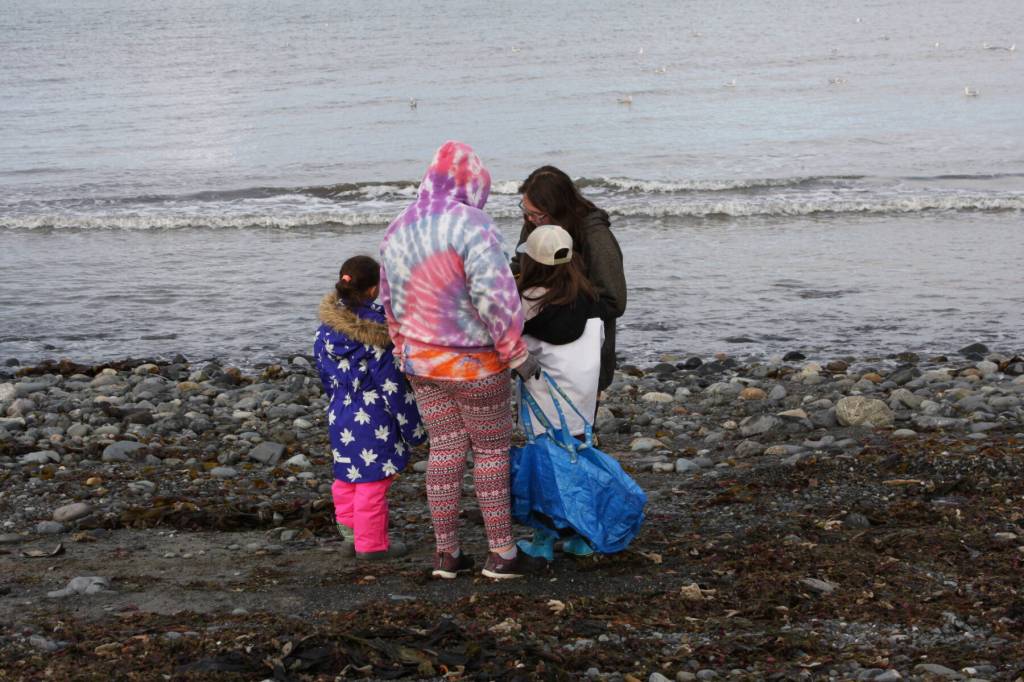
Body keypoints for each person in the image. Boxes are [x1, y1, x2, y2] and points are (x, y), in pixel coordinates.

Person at [378, 140, 542, 580]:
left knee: (445, 450)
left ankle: (447, 555)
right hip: (474, 366)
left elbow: (388, 300)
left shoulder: (397, 227)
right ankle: (502, 553)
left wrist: (401, 347)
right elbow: (495, 296)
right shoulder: (474, 225)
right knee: (490, 451)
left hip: (420, 364)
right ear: (474, 183)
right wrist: (515, 352)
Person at [313, 255, 427, 560]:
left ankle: (351, 537)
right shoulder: (381, 333)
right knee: (373, 481)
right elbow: (392, 386)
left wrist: (339, 399)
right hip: (374, 416)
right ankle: (372, 545)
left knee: (346, 476)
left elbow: (325, 375)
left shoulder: (324, 330)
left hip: (339, 413)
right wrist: (413, 429)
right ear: (374, 290)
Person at [513, 224, 604, 561]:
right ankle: (581, 538)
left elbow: (514, 347)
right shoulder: (591, 298)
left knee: (545, 472)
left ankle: (542, 542)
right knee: (579, 465)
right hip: (582, 401)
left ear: (532, 263)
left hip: (546, 404)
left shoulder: (527, 301)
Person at [513, 166, 627, 393]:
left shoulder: (595, 235)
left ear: (559, 209)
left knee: (580, 421)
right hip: (539, 345)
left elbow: (615, 301)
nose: (529, 218)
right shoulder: (534, 225)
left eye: (537, 214)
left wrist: (563, 306)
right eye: (526, 210)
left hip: (585, 352)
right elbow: (519, 268)